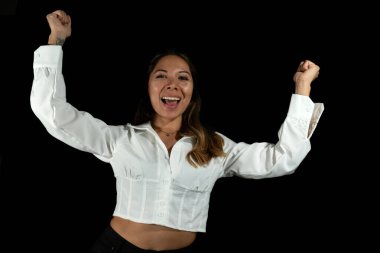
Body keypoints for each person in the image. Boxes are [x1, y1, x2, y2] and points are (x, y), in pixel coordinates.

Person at [30, 9, 324, 253]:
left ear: (192, 92)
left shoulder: (216, 146)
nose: (172, 84)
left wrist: (302, 88)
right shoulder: (119, 139)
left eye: (182, 78)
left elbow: (283, 159)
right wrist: (56, 40)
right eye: (161, 76)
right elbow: (53, 114)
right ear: (149, 88)